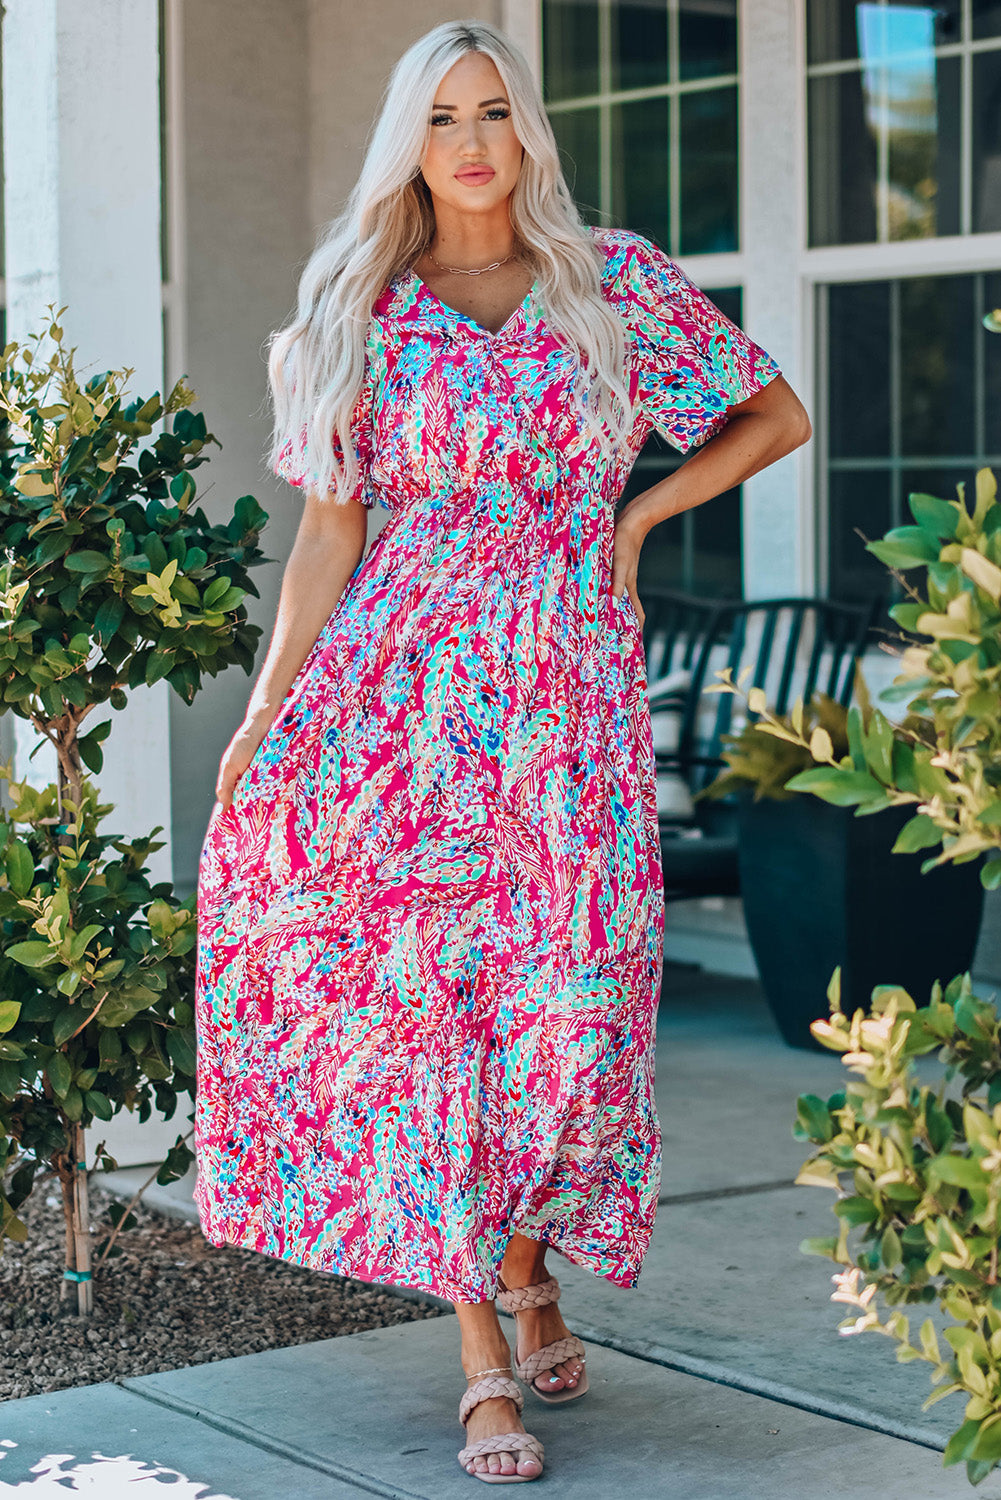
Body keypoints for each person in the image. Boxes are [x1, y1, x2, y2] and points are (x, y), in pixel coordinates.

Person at [194, 18, 811, 1487]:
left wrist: (637, 518)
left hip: (566, 697)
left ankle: (529, 1260)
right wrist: (267, 715)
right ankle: (481, 1346)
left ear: (526, 128)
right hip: (393, 707)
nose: (471, 141)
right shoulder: (359, 306)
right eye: (442, 118)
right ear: (407, 141)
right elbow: (328, 536)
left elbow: (775, 415)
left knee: (577, 1001)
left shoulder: (614, 280)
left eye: (493, 112)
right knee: (432, 1024)